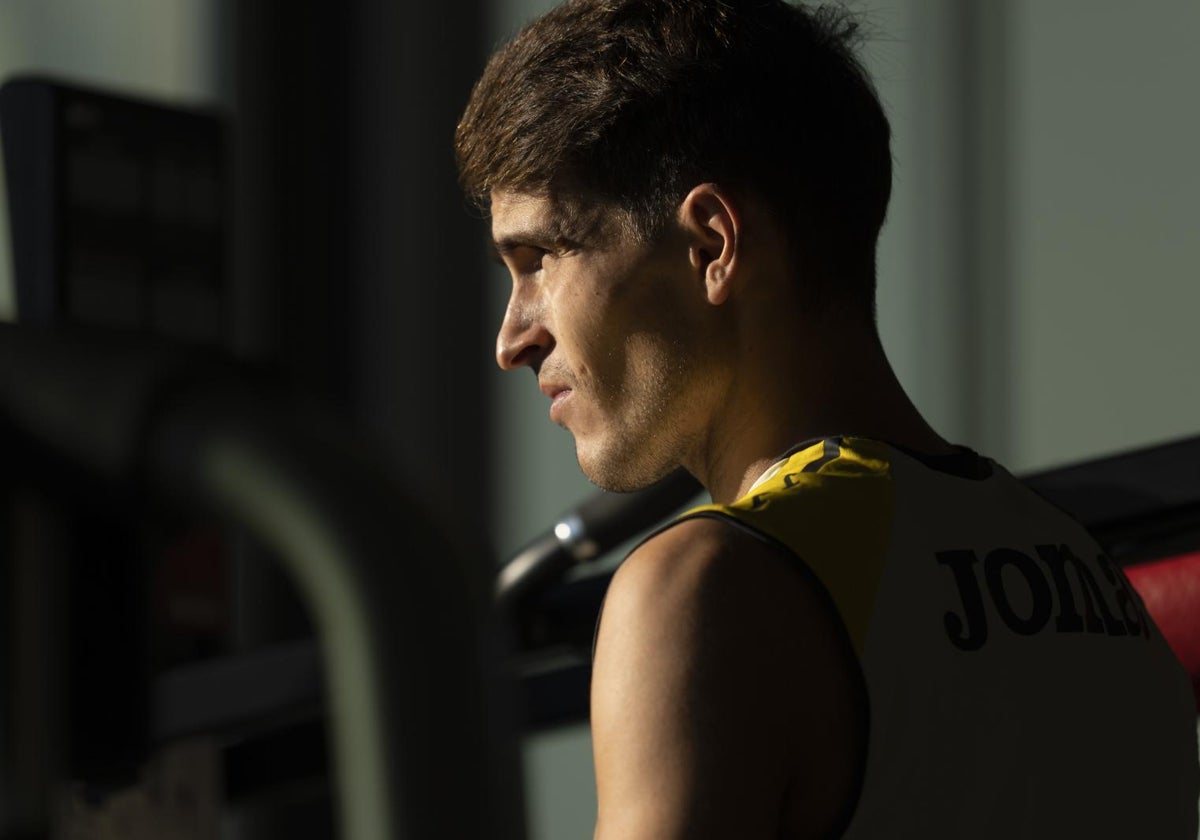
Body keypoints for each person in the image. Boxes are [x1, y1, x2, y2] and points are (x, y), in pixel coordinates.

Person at [455, 0, 1200, 836]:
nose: (512, 339)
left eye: (540, 258)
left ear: (712, 246)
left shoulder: (706, 587)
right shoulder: (1100, 591)